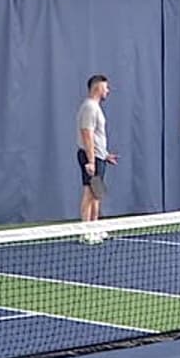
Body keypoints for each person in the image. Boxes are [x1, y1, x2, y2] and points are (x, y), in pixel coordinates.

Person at [76, 74, 119, 240]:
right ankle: (85, 231)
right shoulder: (89, 107)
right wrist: (91, 160)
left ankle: (95, 226)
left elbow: (97, 136)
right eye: (105, 87)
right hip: (90, 157)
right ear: (97, 87)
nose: (108, 90)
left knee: (97, 193)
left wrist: (105, 155)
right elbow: (87, 134)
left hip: (99, 156)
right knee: (89, 192)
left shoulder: (95, 107)